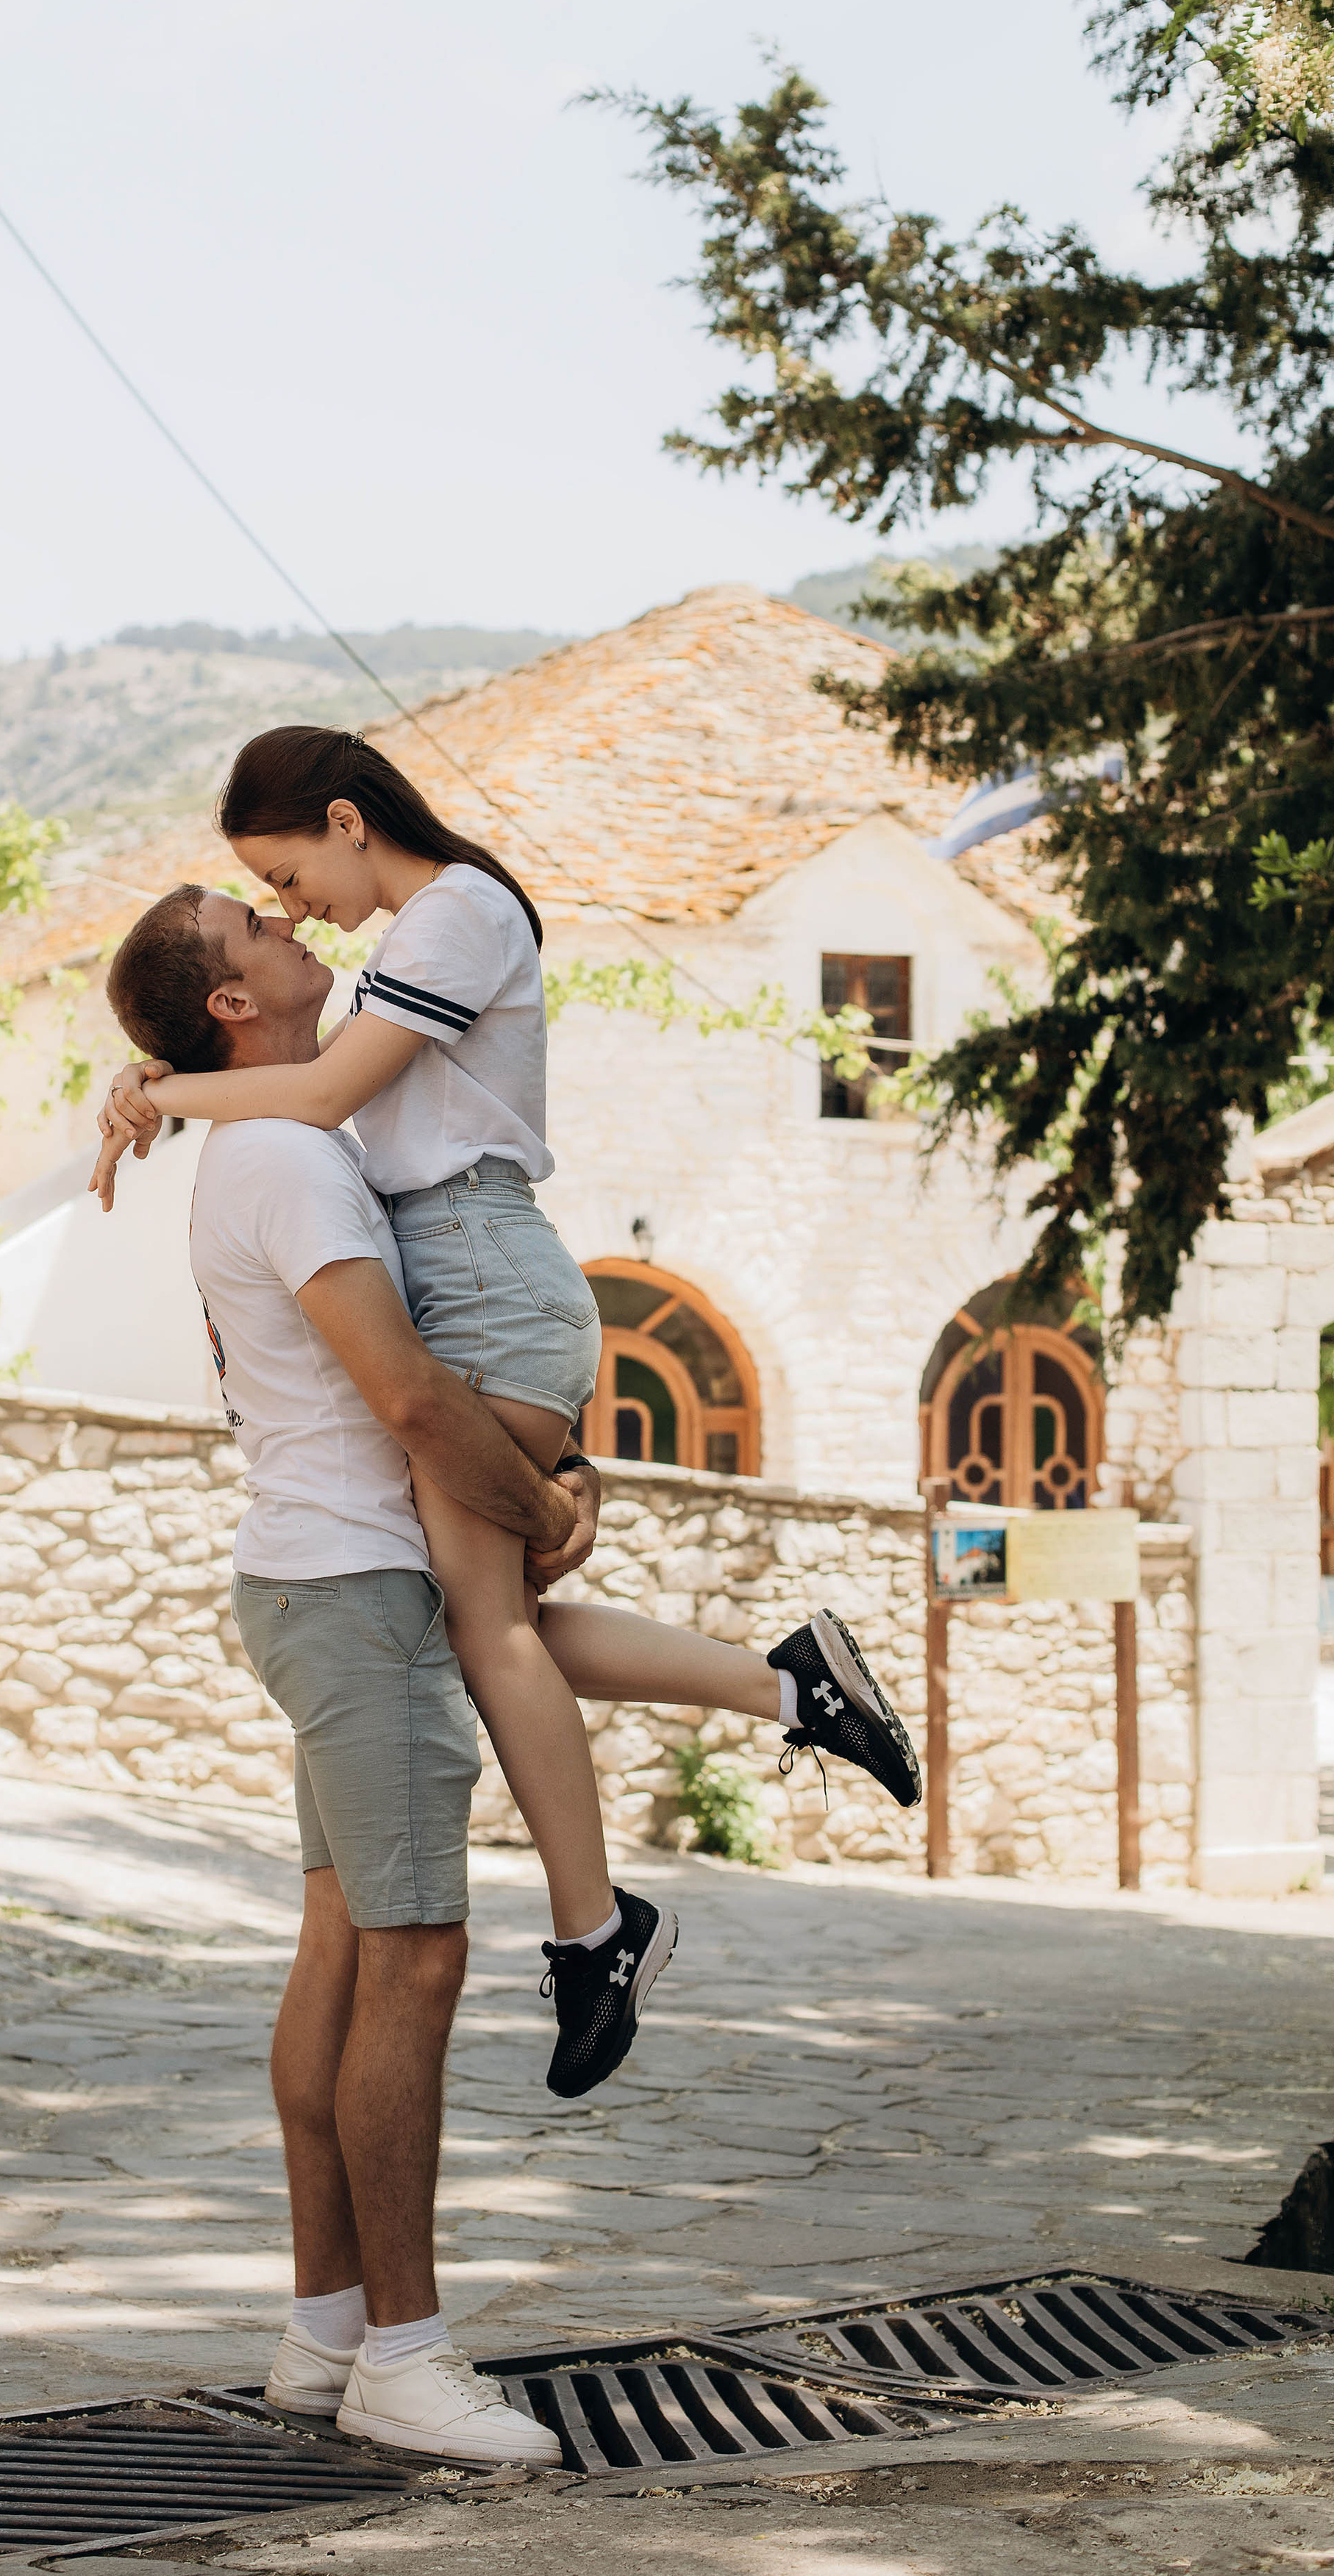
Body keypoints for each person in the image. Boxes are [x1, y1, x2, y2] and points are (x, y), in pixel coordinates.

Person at [94, 731, 921, 2099]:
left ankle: (601, 1932)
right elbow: (298, 1086)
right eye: (266, 901)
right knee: (494, 1617)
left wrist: (159, 1092)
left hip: (479, 1267)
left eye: (285, 875)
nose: (291, 907)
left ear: (347, 821)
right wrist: (153, 1081)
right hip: (466, 1272)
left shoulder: (457, 916)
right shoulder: (406, 944)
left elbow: (319, 1094)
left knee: (486, 1626)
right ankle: (790, 1691)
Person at [104, 880, 581, 2464]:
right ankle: (406, 2361)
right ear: (231, 1005)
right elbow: (413, 1399)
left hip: (318, 1580)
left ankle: (324, 2332)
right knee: (415, 1959)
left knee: (342, 1947)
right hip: (359, 1593)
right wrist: (544, 1514)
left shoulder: (277, 1139)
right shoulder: (294, 1159)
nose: (286, 920)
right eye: (251, 924)